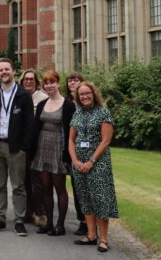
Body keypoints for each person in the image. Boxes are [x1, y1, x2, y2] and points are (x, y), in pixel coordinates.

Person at [0, 58, 34, 236]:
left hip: (16, 148)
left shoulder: (23, 95)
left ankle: (19, 220)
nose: (3, 72)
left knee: (18, 186)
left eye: (6, 69)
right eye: (0, 70)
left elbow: (29, 124)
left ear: (13, 71)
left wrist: (24, 147)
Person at [69, 82, 119, 253]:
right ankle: (91, 235)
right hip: (79, 164)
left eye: (87, 93)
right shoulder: (77, 114)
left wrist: (91, 161)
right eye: (81, 94)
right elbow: (71, 140)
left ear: (93, 93)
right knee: (85, 198)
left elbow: (106, 140)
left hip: (98, 164)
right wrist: (75, 161)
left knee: (99, 199)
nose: (84, 97)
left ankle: (104, 239)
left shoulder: (103, 112)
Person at [31, 70, 76, 236]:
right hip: (42, 148)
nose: (49, 86)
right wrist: (33, 151)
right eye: (46, 83)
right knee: (45, 187)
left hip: (59, 148)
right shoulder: (42, 104)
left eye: (52, 82)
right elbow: (36, 129)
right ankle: (49, 223)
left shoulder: (68, 105)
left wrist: (67, 155)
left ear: (58, 83)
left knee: (60, 188)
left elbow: (71, 131)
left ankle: (60, 225)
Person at [20, 69, 48, 227]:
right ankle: (27, 211)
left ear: (36, 82)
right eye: (26, 79)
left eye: (31, 79)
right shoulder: (19, 97)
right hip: (22, 144)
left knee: (37, 180)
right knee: (23, 180)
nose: (28, 81)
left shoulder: (43, 98)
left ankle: (41, 213)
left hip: (38, 144)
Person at [66, 71, 88, 236]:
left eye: (76, 79)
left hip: (89, 150)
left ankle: (92, 221)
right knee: (77, 187)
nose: (72, 82)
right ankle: (83, 221)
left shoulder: (88, 103)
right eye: (69, 80)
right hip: (73, 149)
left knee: (90, 188)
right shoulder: (66, 103)